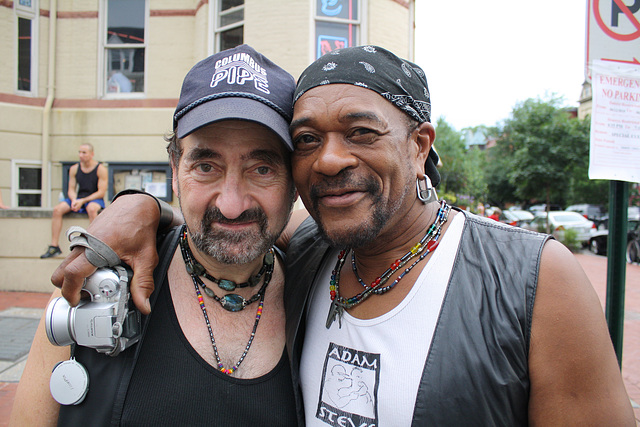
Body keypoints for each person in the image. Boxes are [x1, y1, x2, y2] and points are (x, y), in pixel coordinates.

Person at [47, 46, 635, 426]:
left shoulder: (533, 280)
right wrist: (139, 207)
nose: (328, 160)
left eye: (360, 131)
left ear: (419, 144)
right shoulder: (308, 255)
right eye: (306, 140)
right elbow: (226, 220)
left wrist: (135, 207)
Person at [11, 45, 299, 425]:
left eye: (262, 168)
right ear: (175, 170)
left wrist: (145, 206)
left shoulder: (318, 292)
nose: (231, 204)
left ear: (295, 182)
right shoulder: (90, 286)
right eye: (207, 166)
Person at [40, 143, 108, 258]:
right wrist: (74, 200)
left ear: (92, 154)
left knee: (92, 209)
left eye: (84, 152)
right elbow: (71, 189)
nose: (81, 155)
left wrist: (83, 201)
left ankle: (93, 244)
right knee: (57, 209)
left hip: (94, 199)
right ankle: (54, 246)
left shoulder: (100, 169)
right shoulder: (74, 169)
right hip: (78, 198)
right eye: (79, 152)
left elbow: (101, 192)